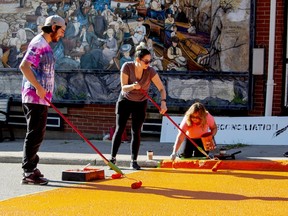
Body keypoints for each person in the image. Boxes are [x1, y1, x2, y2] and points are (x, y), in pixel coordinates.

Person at [19, 15, 66, 185]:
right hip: (34, 97)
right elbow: (24, 66)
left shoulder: (44, 45)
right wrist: (39, 87)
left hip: (40, 99)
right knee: (34, 134)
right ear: (53, 27)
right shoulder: (39, 43)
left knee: (37, 134)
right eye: (61, 31)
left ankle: (32, 167)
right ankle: (28, 172)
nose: (62, 35)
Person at [110, 45, 167, 170]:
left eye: (150, 61)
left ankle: (133, 160)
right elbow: (123, 87)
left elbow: (161, 88)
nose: (148, 63)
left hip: (140, 103)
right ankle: (113, 159)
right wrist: (132, 86)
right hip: (125, 100)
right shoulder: (127, 66)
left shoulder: (150, 71)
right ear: (137, 60)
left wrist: (163, 102)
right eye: (146, 61)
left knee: (136, 131)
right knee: (120, 129)